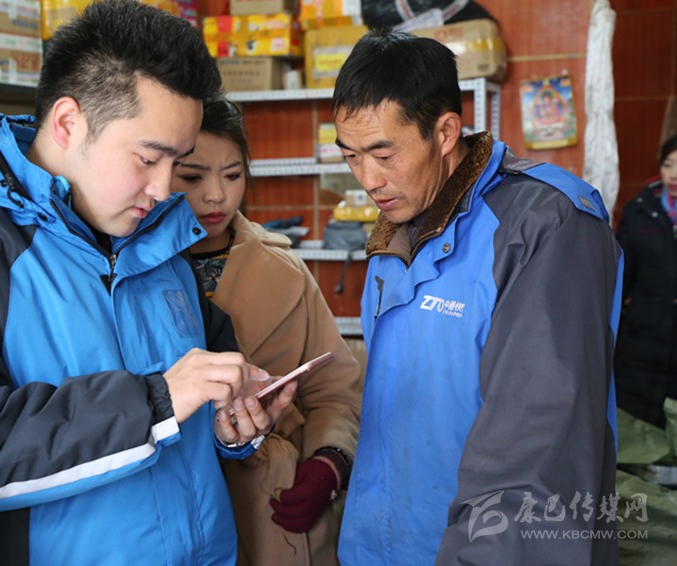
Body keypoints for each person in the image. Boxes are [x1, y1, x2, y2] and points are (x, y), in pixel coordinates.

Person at [0, 2, 294, 564]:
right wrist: (157, 402)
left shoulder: (156, 237)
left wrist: (230, 425)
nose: (165, 189)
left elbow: (197, 396)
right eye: (148, 158)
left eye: (177, 162)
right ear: (67, 123)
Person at [331, 30, 623, 564]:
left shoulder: (545, 224)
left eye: (383, 153)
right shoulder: (393, 234)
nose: (368, 179)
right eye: (351, 156)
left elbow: (538, 453)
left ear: (445, 132)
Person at [171, 97, 362, 566]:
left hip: (269, 504)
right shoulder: (133, 272)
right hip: (169, 506)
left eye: (233, 175)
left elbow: (336, 392)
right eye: (193, 178)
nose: (216, 196)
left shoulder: (284, 270)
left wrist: (328, 462)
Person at [614, 134, 677, 428]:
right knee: (636, 428)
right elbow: (621, 279)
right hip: (642, 340)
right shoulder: (638, 210)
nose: (673, 175)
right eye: (668, 165)